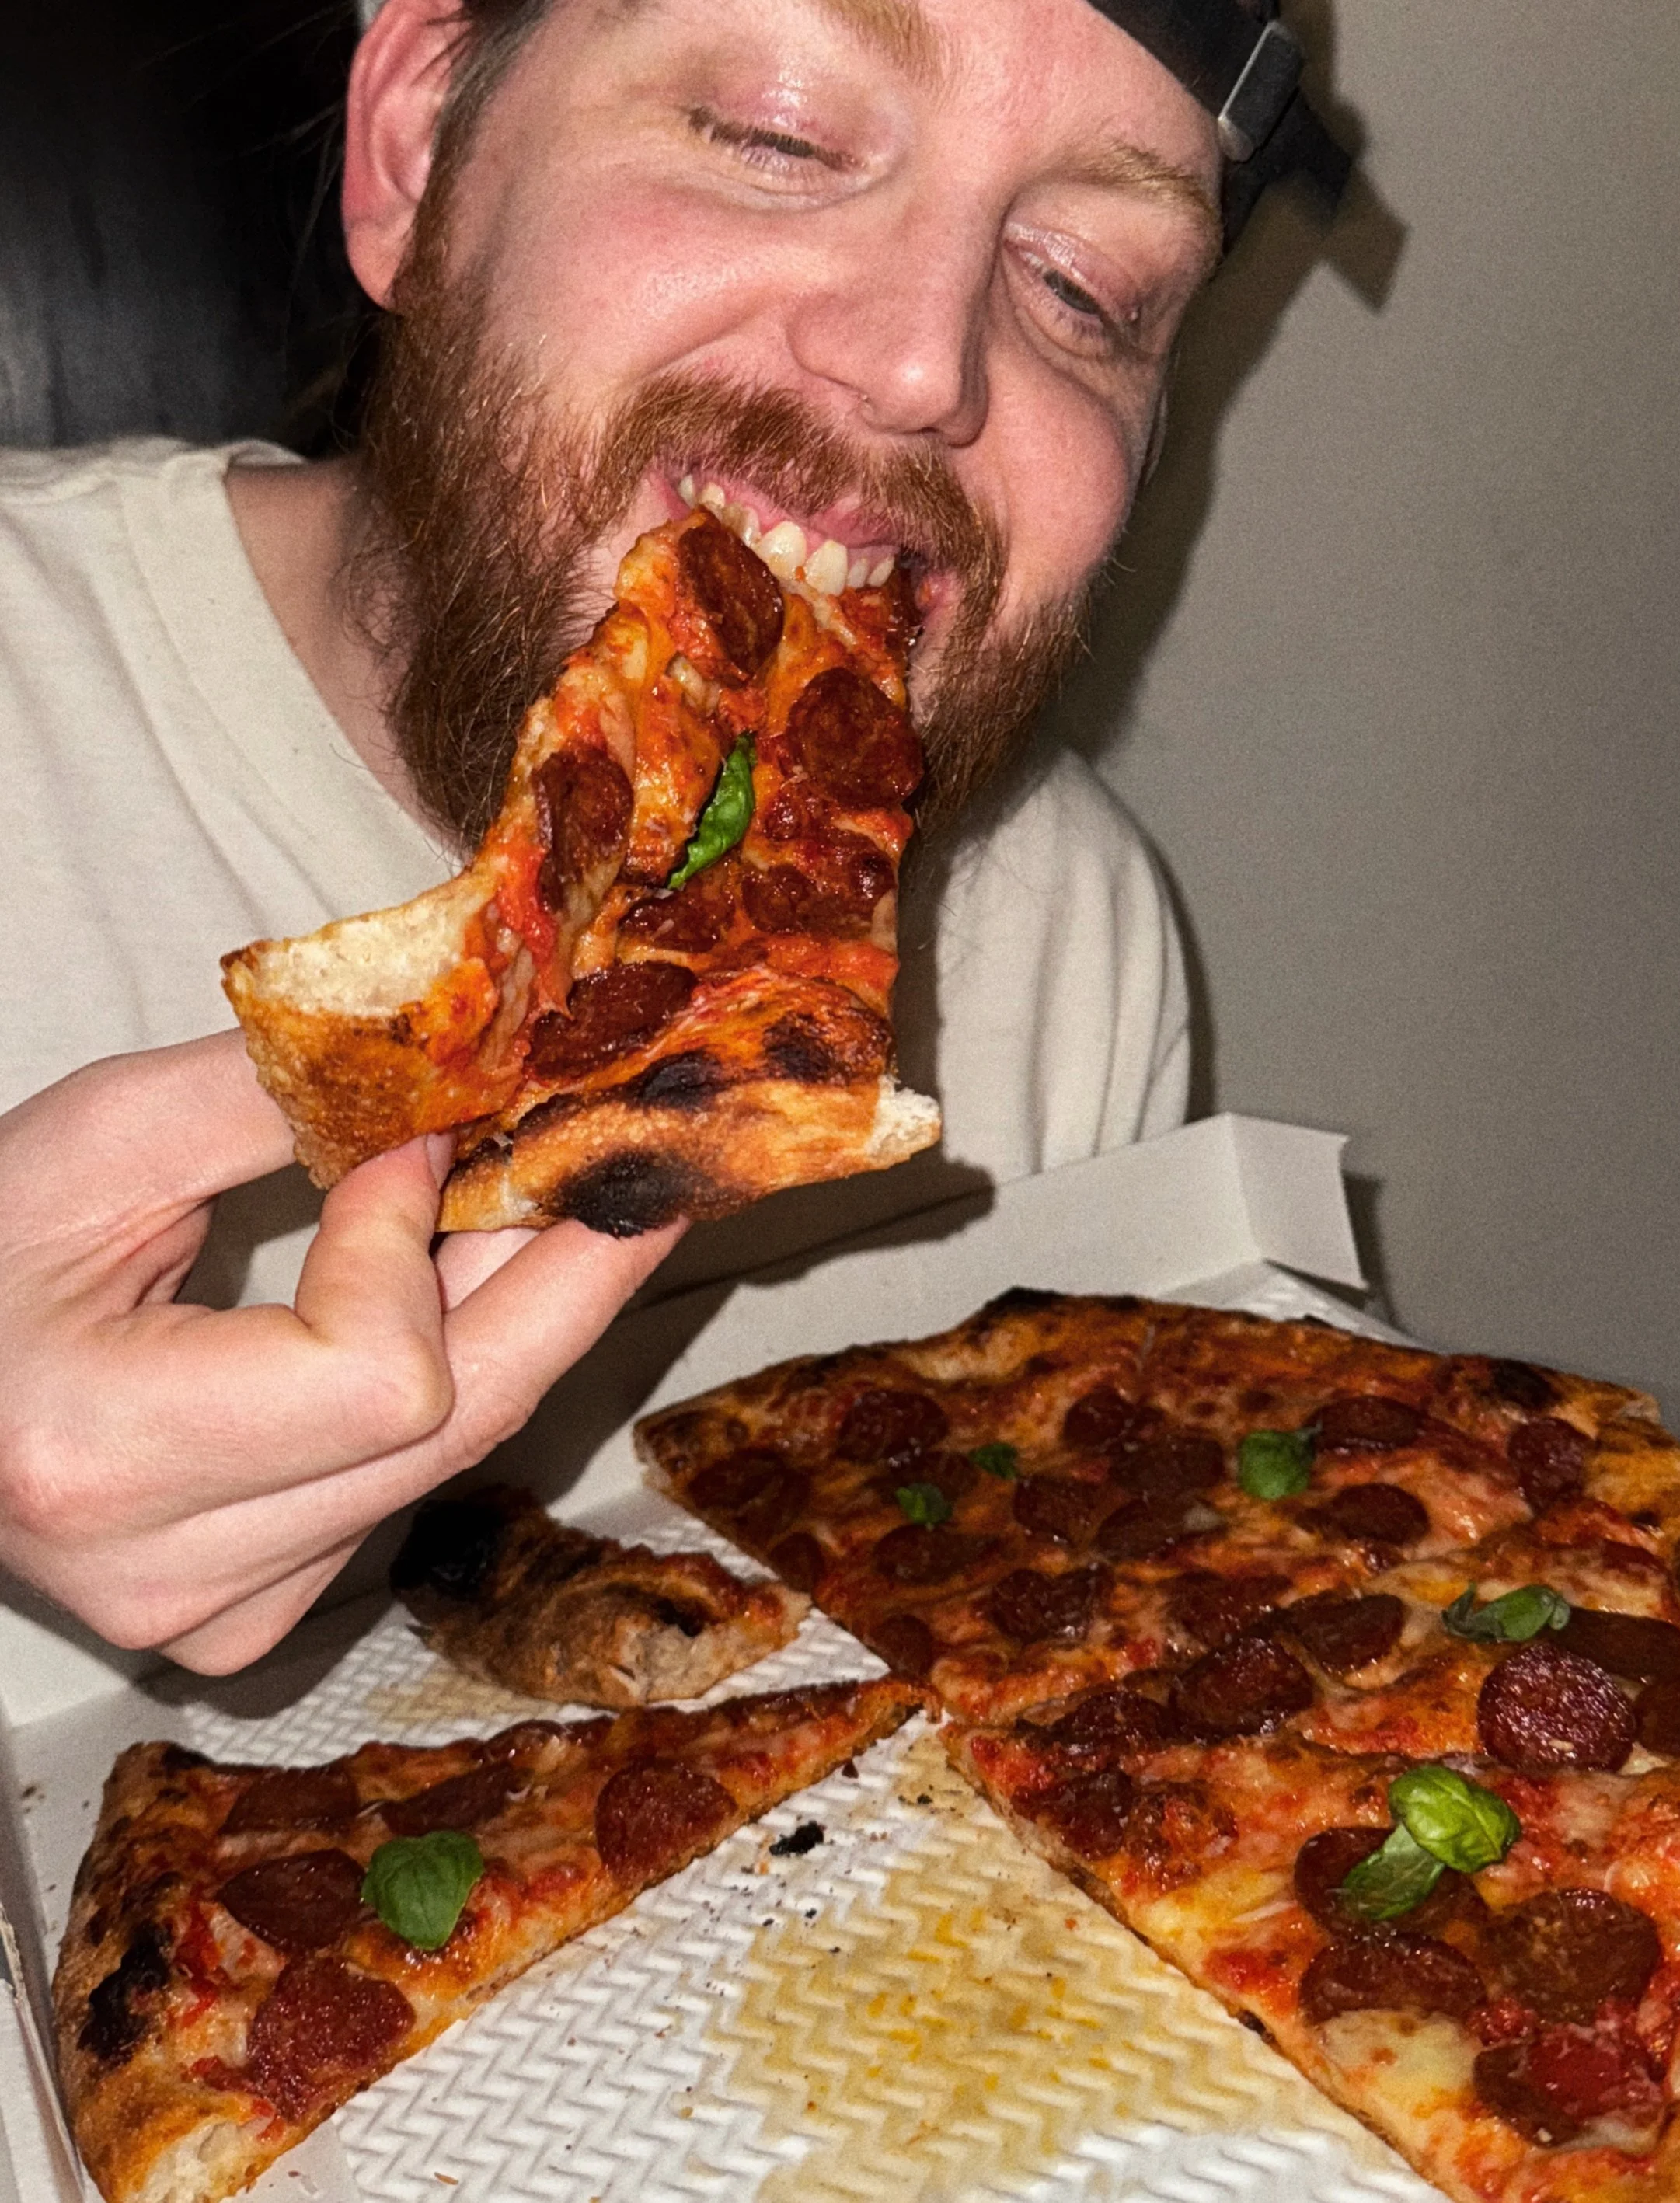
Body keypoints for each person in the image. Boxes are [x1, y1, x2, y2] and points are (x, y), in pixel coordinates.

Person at [0, 0, 1346, 1678]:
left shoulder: (1066, 933)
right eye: (777, 135)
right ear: (418, 146)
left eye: (1087, 287)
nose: (925, 365)